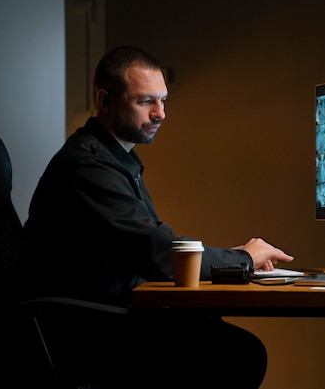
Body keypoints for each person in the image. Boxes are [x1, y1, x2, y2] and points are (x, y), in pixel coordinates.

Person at [16, 46, 294, 389]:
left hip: (103, 318)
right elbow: (160, 254)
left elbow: (153, 245)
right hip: (86, 332)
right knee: (239, 353)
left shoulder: (110, 158)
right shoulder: (88, 166)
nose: (160, 113)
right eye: (146, 101)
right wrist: (244, 259)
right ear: (104, 101)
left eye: (163, 100)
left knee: (214, 333)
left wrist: (233, 261)